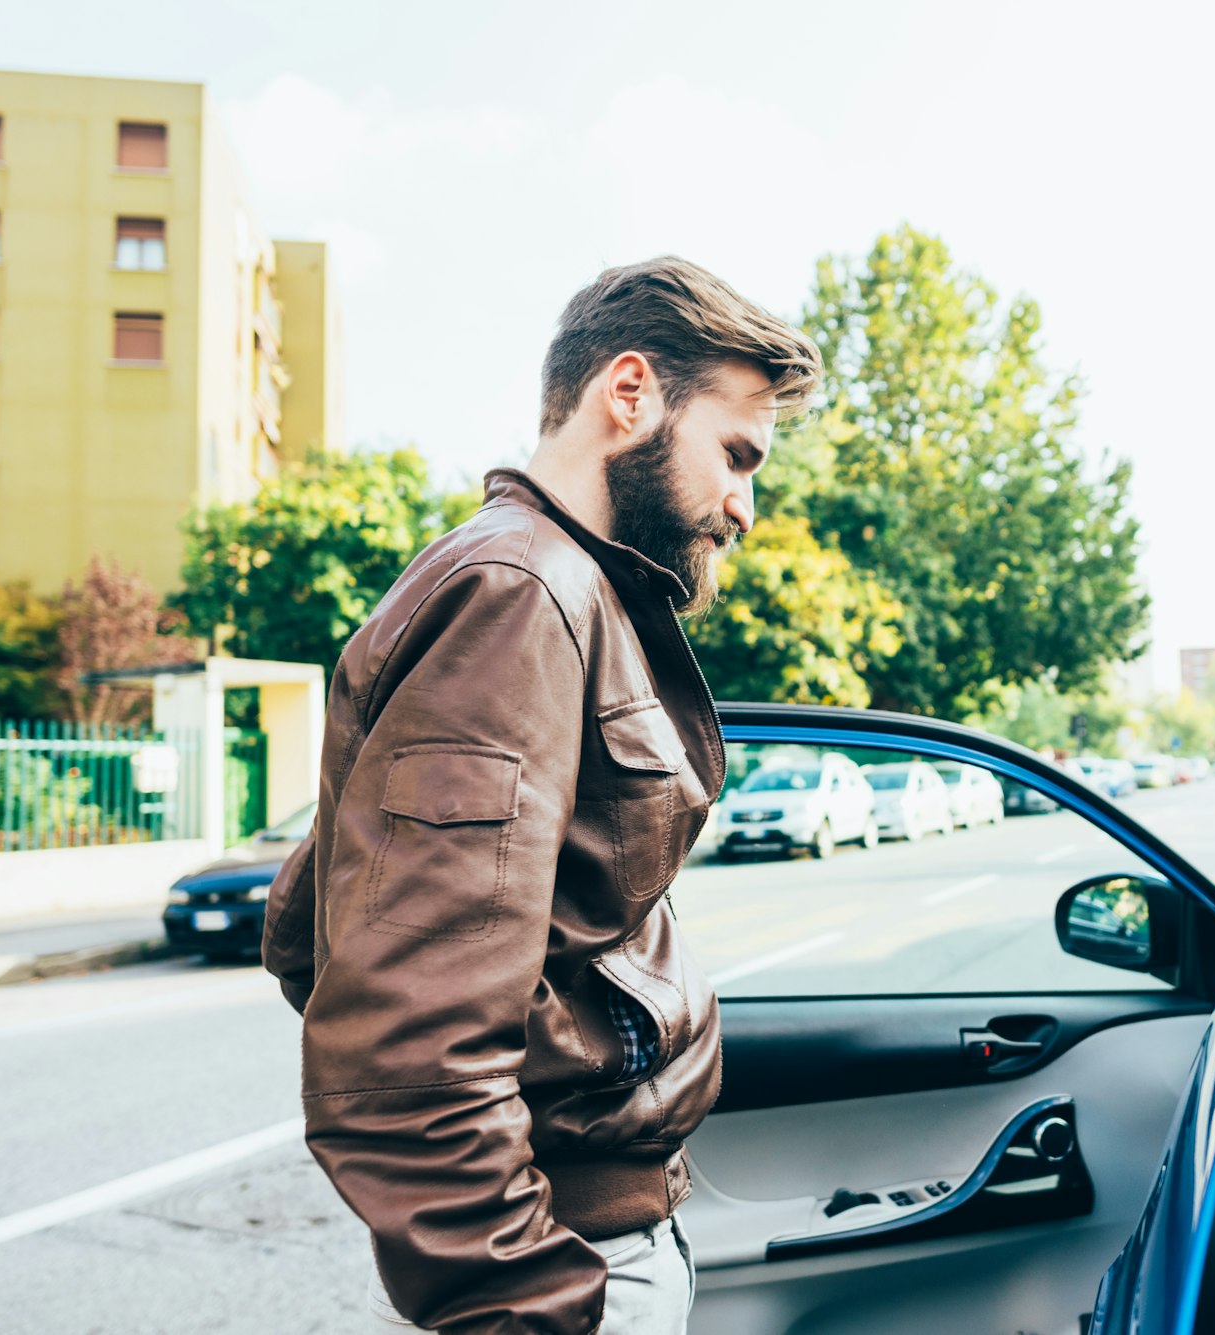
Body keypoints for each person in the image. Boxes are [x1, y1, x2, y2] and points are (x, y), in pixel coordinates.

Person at [260, 257, 821, 1334]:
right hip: (572, 1268)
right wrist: (532, 1304)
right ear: (629, 396)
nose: (745, 507)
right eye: (735, 454)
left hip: (596, 1240)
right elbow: (403, 1056)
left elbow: (313, 923)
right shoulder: (521, 595)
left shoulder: (555, 587)